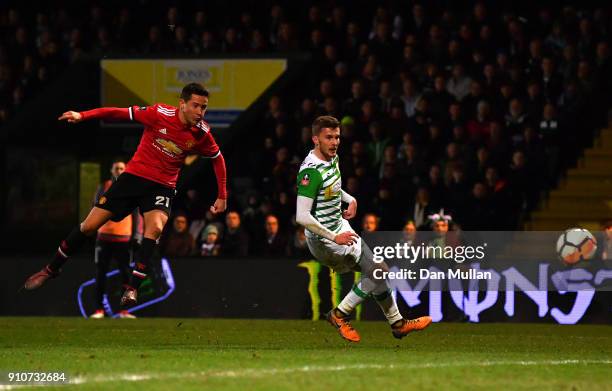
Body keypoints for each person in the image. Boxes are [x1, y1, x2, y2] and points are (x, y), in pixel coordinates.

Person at [23, 83, 228, 309]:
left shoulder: (202, 133)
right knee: (88, 227)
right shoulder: (158, 114)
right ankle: (51, 269)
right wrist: (83, 115)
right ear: (182, 103)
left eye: (204, 108)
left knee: (156, 227)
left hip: (162, 186)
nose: (200, 112)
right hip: (133, 179)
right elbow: (117, 112)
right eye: (196, 106)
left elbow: (218, 159)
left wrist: (222, 195)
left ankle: (132, 289)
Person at [295, 115, 431, 343]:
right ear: (315, 139)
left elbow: (332, 190)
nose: (335, 142)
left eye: (337, 137)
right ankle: (339, 315)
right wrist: (334, 237)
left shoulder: (332, 158)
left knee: (377, 272)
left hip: (340, 227)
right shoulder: (311, 172)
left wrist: (350, 198)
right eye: (329, 137)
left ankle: (398, 324)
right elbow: (302, 216)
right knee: (378, 270)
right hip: (324, 240)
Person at [90, 160, 141, 319]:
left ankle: (125, 311)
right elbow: (95, 207)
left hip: (124, 239)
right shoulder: (104, 187)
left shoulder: (132, 188)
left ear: (125, 170)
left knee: (126, 275)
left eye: (122, 168)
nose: (119, 170)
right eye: (116, 168)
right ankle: (99, 310)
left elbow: (136, 214)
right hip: (103, 237)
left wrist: (136, 236)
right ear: (112, 170)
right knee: (100, 274)